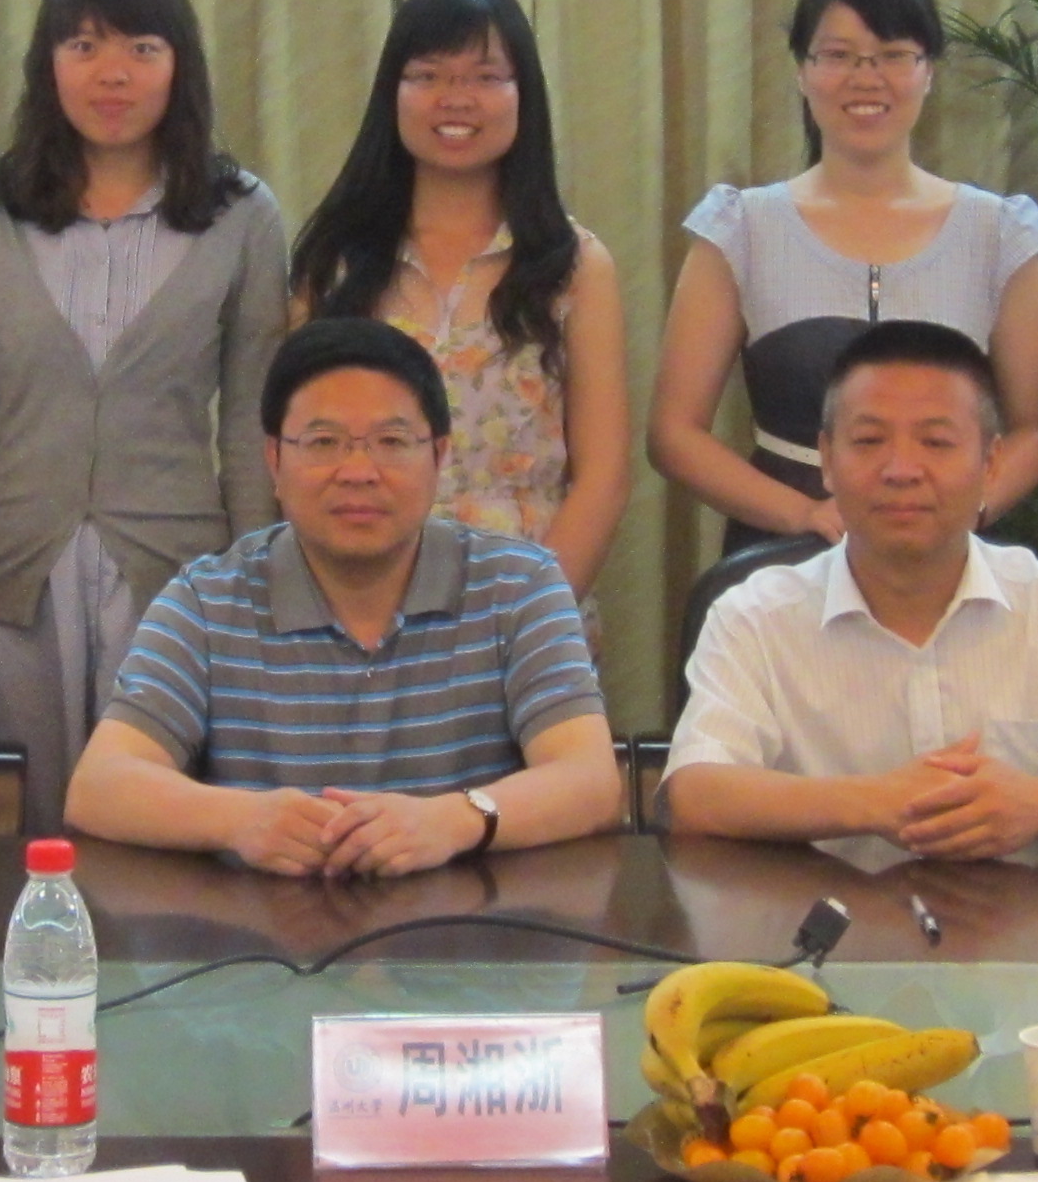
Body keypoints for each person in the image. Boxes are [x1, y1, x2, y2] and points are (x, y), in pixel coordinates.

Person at [0, 0, 287, 832]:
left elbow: (251, 424)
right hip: (8, 574)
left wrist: (257, 585)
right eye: (83, 46)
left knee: (157, 819)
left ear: (179, 65)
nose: (111, 74)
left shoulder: (243, 215)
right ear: (48, 64)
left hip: (174, 572)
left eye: (140, 48)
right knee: (21, 823)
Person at [66, 319, 623, 874]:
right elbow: (99, 788)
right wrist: (241, 819)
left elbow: (592, 782)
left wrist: (453, 821)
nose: (358, 471)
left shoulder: (519, 587)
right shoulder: (206, 602)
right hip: (262, 925)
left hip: (475, 923)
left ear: (439, 457)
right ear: (274, 460)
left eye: (392, 442)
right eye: (324, 443)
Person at [661, 323, 1038, 853]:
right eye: (869, 440)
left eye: (936, 442)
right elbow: (694, 796)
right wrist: (875, 803)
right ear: (827, 460)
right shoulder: (753, 615)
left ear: (991, 462)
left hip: (1029, 920)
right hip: (823, 920)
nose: (902, 469)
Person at [652, 0, 1038, 555]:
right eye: (838, 55)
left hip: (948, 551)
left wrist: (958, 513)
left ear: (928, 71)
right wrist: (805, 514)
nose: (866, 78)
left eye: (893, 55)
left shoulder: (1000, 233)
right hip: (782, 552)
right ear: (801, 71)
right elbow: (674, 433)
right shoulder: (740, 228)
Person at [286, 0, 630, 600]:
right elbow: (296, 453)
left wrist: (529, 624)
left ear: (524, 95)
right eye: (428, 76)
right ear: (391, 93)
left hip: (524, 600)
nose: (456, 99)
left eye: (485, 77)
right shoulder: (334, 262)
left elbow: (603, 478)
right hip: (354, 601)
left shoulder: (576, 266)